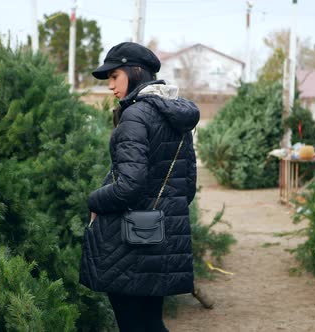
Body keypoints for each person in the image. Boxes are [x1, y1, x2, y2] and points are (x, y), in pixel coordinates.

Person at [80, 42, 200, 332]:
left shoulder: (135, 115)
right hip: (161, 238)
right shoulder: (174, 114)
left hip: (130, 242)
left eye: (114, 76)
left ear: (135, 73)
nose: (110, 86)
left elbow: (128, 186)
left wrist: (94, 200)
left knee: (134, 324)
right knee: (150, 323)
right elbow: (187, 187)